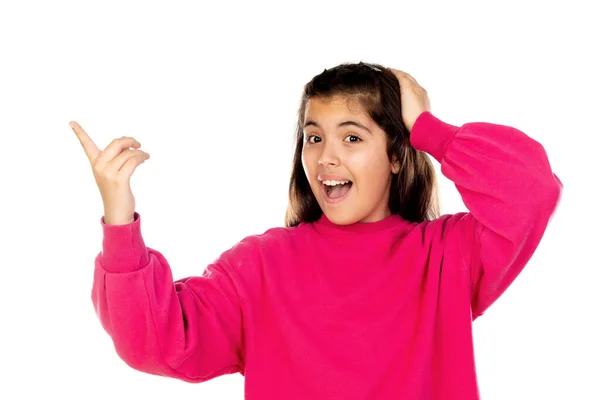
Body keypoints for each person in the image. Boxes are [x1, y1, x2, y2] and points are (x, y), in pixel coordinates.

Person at [71, 62, 563, 399]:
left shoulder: (447, 255)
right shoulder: (260, 265)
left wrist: (428, 128)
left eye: (352, 136)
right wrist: (119, 217)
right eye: (314, 137)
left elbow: (531, 190)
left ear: (396, 155)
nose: (326, 156)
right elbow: (156, 341)